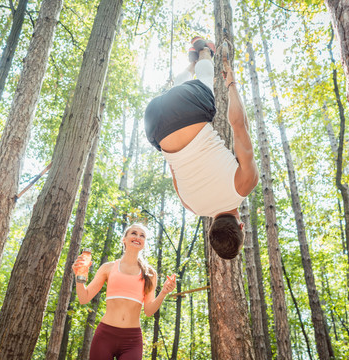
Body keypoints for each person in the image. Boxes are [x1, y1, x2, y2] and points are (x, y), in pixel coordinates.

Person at [144, 37, 259, 260]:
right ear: (210, 230)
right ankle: (191, 62)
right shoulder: (191, 206)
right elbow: (173, 165)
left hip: (189, 110)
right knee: (177, 93)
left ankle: (205, 52)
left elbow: (239, 125)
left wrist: (231, 84)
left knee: (206, 81)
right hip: (153, 124)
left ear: (241, 226)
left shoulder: (245, 185)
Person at [72, 223, 177, 360]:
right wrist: (79, 277)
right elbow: (84, 298)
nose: (138, 237)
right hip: (105, 336)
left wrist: (163, 292)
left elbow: (149, 310)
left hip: (132, 340)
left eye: (142, 235)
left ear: (144, 243)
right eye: (133, 233)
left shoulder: (150, 273)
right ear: (124, 239)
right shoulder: (108, 268)